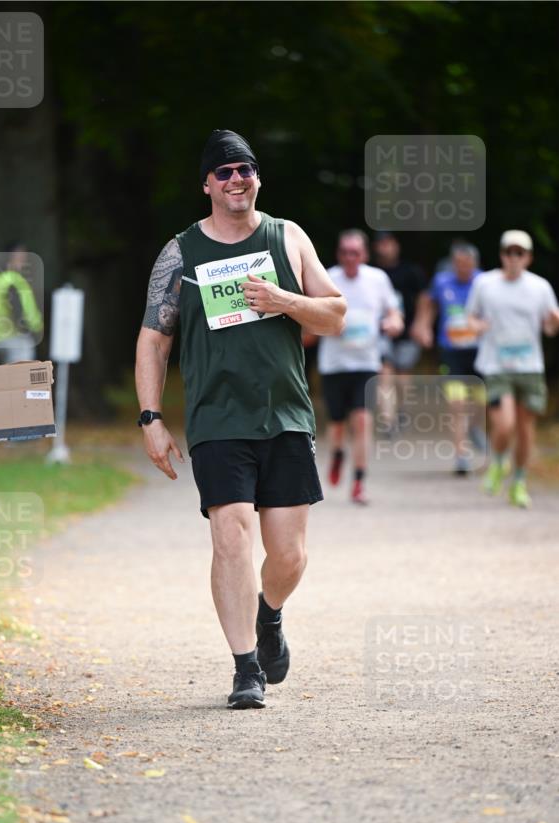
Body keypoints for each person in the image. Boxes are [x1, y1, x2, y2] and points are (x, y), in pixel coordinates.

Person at [134, 130, 346, 710]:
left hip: (285, 415)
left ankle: (269, 614)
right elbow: (155, 338)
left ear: (258, 178)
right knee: (230, 536)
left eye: (244, 170)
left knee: (288, 555)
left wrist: (287, 302)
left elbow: (335, 314)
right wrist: (151, 417)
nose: (235, 180)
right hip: (217, 419)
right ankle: (244, 666)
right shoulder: (181, 252)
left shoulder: (288, 237)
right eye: (223, 172)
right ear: (207, 184)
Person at [466, 230, 559, 508]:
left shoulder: (540, 287)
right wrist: (477, 326)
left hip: (530, 366)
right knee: (504, 424)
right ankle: (498, 462)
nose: (514, 258)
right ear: (502, 255)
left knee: (525, 427)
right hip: (496, 365)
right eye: (509, 252)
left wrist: (554, 322)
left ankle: (519, 482)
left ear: (528, 258)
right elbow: (470, 317)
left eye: (519, 253)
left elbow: (550, 328)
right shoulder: (485, 283)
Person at [318, 229, 403, 504]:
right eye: (345, 252)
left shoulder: (378, 279)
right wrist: (326, 325)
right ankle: (338, 453)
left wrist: (394, 323)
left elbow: (394, 312)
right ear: (339, 254)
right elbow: (313, 314)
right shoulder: (327, 278)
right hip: (334, 364)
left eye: (355, 252)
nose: (350, 257)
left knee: (363, 421)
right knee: (338, 424)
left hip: (367, 362)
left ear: (364, 254)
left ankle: (358, 482)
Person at [412, 241, 484, 475]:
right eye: (458, 264)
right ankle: (462, 455)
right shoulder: (443, 281)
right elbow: (427, 302)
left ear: (474, 264)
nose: (462, 268)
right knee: (457, 403)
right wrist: (423, 326)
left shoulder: (484, 282)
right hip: (451, 351)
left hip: (479, 351)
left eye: (467, 264)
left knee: (480, 402)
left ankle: (473, 428)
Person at [371, 232, 425, 435]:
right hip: (380, 332)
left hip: (407, 331)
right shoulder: (373, 273)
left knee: (403, 376)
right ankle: (387, 420)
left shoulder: (410, 271)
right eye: (380, 244)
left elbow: (423, 299)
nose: (384, 248)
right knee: (385, 373)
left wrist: (420, 324)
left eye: (388, 243)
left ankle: (402, 410)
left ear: (396, 246)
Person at [0, 242, 43, 363]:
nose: (24, 260)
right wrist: (27, 329)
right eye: (21, 256)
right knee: (21, 379)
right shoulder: (14, 280)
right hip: (16, 338)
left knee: (9, 378)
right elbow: (16, 306)